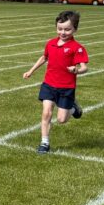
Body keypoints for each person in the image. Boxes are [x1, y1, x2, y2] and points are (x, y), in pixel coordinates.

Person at [23, 10, 88, 154]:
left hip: (66, 88)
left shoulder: (77, 48)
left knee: (61, 120)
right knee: (46, 113)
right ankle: (44, 143)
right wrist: (31, 71)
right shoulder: (51, 43)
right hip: (49, 84)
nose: (63, 32)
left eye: (67, 29)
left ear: (75, 29)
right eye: (60, 29)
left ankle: (73, 108)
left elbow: (84, 67)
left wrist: (76, 70)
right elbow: (44, 57)